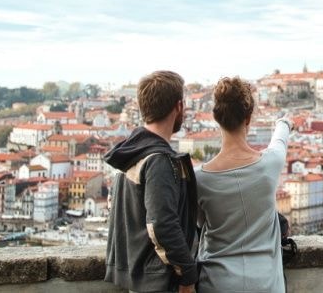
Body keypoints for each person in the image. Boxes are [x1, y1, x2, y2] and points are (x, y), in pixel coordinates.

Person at [104, 70, 199, 293]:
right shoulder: (158, 160)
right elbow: (161, 224)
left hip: (139, 276)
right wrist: (187, 275)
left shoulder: (131, 153)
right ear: (178, 107)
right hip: (159, 280)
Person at [195, 76, 292, 292]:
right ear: (248, 118)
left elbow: (200, 223)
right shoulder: (270, 163)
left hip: (217, 283)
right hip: (266, 284)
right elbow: (280, 140)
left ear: (215, 117)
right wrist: (284, 122)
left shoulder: (199, 178)